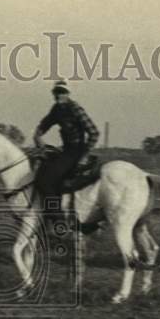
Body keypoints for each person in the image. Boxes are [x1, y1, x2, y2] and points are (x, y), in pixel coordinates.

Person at [32, 80, 100, 224]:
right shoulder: (56, 109)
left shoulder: (75, 108)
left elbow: (94, 132)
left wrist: (85, 155)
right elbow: (43, 126)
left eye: (62, 92)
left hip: (76, 151)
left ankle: (58, 219)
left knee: (44, 180)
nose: (58, 95)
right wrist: (38, 138)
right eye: (56, 92)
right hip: (66, 151)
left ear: (68, 94)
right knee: (42, 166)